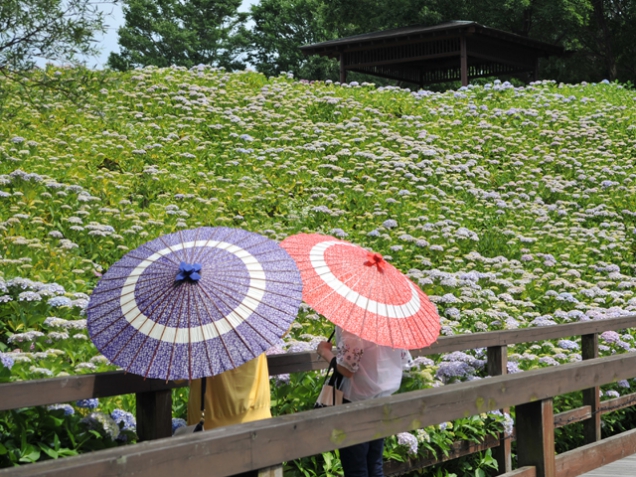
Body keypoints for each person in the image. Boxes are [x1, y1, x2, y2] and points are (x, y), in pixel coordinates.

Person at [316, 327, 412, 477]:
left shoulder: (354, 326)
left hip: (356, 403)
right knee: (375, 465)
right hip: (383, 400)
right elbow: (403, 361)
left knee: (356, 468)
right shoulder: (390, 322)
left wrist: (325, 352)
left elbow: (347, 369)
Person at [186, 353, 272, 477]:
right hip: (259, 422)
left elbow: (179, 375)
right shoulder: (255, 333)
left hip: (209, 430)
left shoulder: (194, 334)